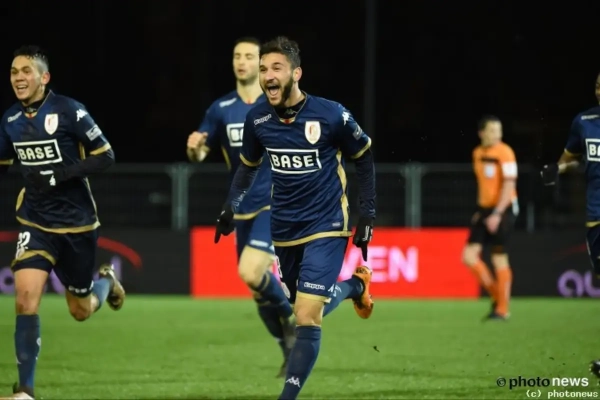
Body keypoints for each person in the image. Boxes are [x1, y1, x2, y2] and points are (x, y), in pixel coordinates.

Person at [213, 36, 376, 400]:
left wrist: (367, 213)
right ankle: (355, 286)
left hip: (327, 224)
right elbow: (247, 167)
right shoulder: (258, 119)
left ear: (296, 73)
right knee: (303, 307)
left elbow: (363, 156)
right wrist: (230, 206)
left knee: (306, 315)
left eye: (277, 68)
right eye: (263, 69)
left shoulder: (331, 114)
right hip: (284, 228)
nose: (267, 76)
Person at [0, 45, 125, 400]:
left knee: (80, 310)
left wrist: (60, 175)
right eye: (13, 72)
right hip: (35, 222)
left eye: (26, 71)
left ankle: (106, 283)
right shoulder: (10, 119)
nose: (19, 78)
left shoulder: (69, 110)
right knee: (25, 299)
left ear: (44, 77)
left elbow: (106, 155)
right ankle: (26, 390)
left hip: (77, 225)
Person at [186, 37, 295, 377]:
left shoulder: (275, 102)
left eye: (249, 56)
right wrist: (194, 148)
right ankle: (287, 349)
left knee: (249, 271)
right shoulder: (221, 109)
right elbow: (200, 154)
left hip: (273, 202)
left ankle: (292, 317)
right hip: (240, 207)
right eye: (237, 56)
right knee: (256, 288)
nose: (242, 61)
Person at [539, 72, 600, 379]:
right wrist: (557, 168)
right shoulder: (584, 121)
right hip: (596, 214)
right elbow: (573, 158)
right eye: (599, 86)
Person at [462, 115, 517, 321]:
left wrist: (497, 214)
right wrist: (481, 210)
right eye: (492, 130)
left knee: (498, 258)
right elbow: (484, 184)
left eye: (499, 130)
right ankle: (498, 297)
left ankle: (503, 310)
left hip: (504, 208)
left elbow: (509, 185)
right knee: (468, 256)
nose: (497, 134)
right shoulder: (477, 153)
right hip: (485, 210)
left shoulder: (505, 152)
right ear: (481, 133)